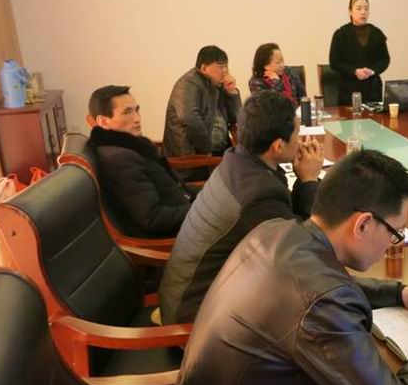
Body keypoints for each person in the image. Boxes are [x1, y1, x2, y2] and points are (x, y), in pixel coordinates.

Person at [164, 150, 408, 385]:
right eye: (394, 233)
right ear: (362, 224)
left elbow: (320, 286)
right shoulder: (322, 302)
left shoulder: (275, 230)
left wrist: (398, 294)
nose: (392, 244)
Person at [158, 90, 323, 324]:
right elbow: (303, 248)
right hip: (196, 319)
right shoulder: (258, 195)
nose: (301, 140)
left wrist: (304, 179)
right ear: (277, 146)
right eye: (297, 133)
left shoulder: (236, 160)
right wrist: (308, 181)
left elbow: (286, 221)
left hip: (189, 295)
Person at [87, 85, 194, 237]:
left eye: (136, 110)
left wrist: (207, 198)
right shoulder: (120, 160)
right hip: (181, 234)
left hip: (187, 214)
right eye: (127, 112)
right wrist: (203, 209)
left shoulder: (130, 148)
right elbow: (154, 219)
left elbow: (174, 189)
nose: (137, 118)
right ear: (103, 122)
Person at [163, 45, 241, 157]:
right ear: (204, 68)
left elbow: (237, 118)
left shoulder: (218, 84)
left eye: (226, 66)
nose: (225, 71)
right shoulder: (188, 84)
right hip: (191, 155)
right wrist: (207, 150)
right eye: (220, 66)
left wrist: (231, 91)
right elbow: (191, 120)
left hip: (220, 152)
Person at [329, 0, 390, 105]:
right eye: (359, 8)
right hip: (348, 89)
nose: (363, 12)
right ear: (350, 12)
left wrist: (372, 71)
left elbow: (385, 60)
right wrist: (354, 71)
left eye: (366, 9)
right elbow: (334, 62)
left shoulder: (377, 33)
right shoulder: (341, 34)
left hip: (373, 88)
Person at [248, 42, 306, 106]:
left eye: (282, 60)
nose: (282, 65)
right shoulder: (256, 82)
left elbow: (303, 97)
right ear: (266, 65)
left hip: (297, 111)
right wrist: (277, 82)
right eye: (278, 62)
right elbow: (269, 105)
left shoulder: (288, 72)